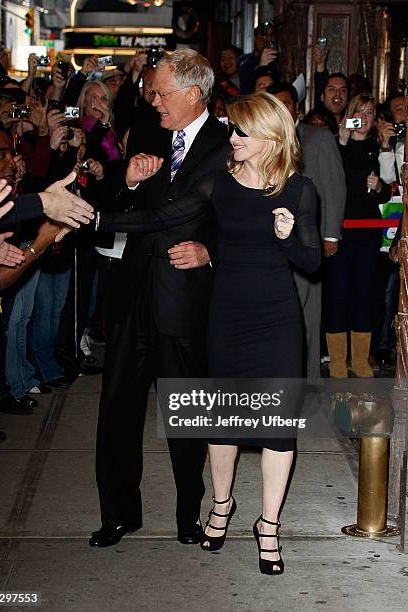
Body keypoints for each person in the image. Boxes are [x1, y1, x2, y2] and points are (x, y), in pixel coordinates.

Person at [93, 92, 320, 574]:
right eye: (231, 129)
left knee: (278, 430)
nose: (231, 138)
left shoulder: (300, 191)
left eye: (241, 132)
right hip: (227, 318)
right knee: (223, 424)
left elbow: (313, 262)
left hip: (277, 321)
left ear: (270, 137)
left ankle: (269, 526)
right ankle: (221, 507)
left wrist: (287, 237)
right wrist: (95, 219)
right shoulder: (217, 183)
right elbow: (159, 219)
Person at [89, 49, 231, 548]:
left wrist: (210, 252)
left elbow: (242, 222)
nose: (153, 101)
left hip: (186, 301)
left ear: (194, 94)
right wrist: (126, 181)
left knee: (186, 415)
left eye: (161, 92)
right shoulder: (148, 133)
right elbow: (115, 198)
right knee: (116, 411)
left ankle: (189, 513)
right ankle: (118, 513)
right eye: (151, 92)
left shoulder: (228, 144)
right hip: (132, 296)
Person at [267, 82, 345, 383]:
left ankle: (307, 378)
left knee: (307, 312)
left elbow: (335, 188)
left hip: (307, 240)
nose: (282, 109)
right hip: (269, 242)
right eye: (275, 103)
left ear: (297, 107)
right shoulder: (261, 138)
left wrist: (330, 236)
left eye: (287, 103)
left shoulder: (318, 137)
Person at [325, 93, 391, 378]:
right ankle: (338, 359)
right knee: (339, 292)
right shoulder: (337, 146)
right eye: (358, 112)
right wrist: (341, 139)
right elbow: (330, 179)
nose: (362, 118)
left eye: (368, 112)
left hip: (368, 231)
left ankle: (361, 358)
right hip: (340, 231)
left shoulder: (379, 148)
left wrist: (379, 187)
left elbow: (392, 190)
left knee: (365, 294)